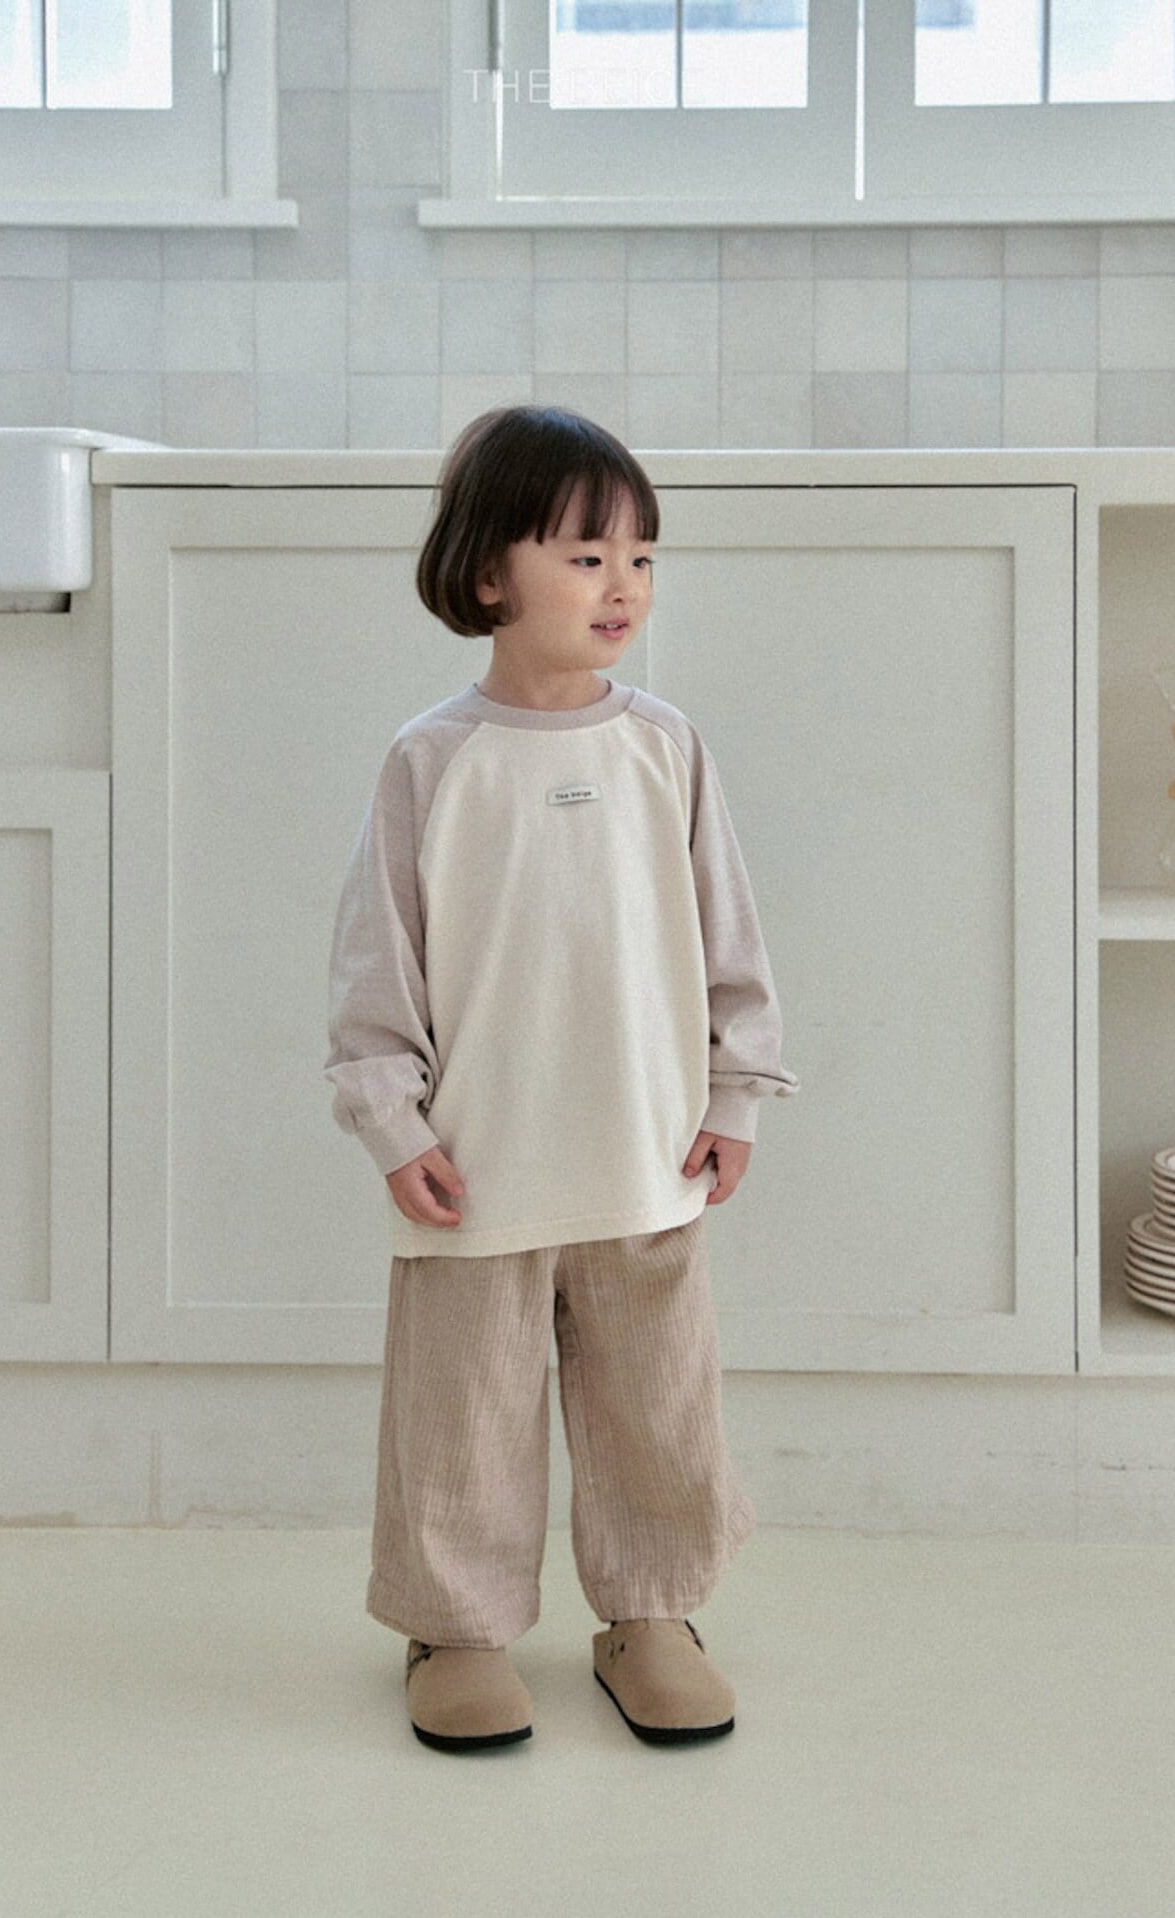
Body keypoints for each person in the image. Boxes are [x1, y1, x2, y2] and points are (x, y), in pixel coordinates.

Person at [322, 404, 798, 1754]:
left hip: (646, 1150)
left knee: (658, 1400)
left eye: (641, 557)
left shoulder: (666, 747)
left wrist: (737, 1092)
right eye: (587, 557)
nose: (623, 586)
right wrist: (391, 1121)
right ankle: (456, 1627)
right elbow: (376, 963)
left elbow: (729, 939)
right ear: (490, 573)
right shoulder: (431, 759)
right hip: (476, 1160)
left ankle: (651, 1612)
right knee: (461, 1410)